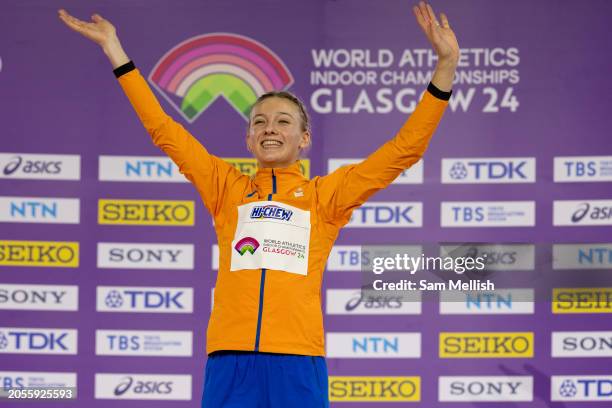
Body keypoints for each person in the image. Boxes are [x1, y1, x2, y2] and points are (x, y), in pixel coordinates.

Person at [59, 2, 459, 407]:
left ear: (304, 139)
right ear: (249, 140)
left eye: (283, 121)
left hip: (298, 360)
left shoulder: (326, 197)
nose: (270, 128)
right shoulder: (225, 188)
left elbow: (403, 151)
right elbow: (163, 130)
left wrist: (445, 67)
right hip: (230, 359)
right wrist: (114, 49)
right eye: (259, 122)